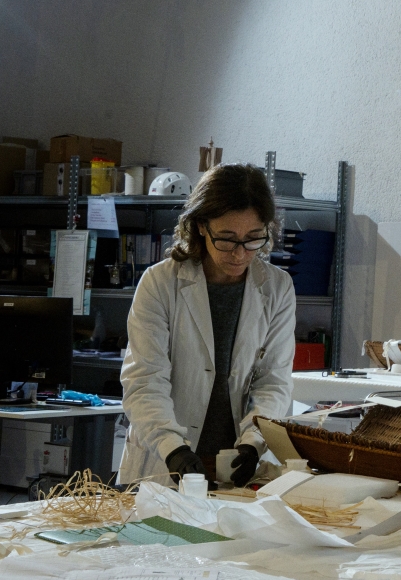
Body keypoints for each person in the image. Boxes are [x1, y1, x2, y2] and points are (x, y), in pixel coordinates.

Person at [119, 164, 296, 486]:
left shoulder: (277, 287)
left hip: (238, 462)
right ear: (201, 226)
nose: (240, 254)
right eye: (227, 239)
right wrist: (173, 449)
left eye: (253, 239)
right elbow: (145, 380)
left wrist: (254, 441)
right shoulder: (160, 283)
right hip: (165, 461)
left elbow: (273, 380)